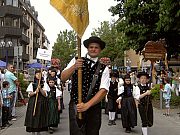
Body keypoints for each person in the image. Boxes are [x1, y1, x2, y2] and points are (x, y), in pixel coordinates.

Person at [61, 36, 110, 135]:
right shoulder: (76, 60)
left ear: (100, 50)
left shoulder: (104, 68)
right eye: (91, 47)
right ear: (87, 48)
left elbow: (103, 90)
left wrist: (87, 105)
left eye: (96, 47)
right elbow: (63, 77)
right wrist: (74, 67)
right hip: (76, 106)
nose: (93, 49)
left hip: (93, 108)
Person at [24, 70, 49, 135]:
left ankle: (39, 132)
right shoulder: (32, 84)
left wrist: (40, 89)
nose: (38, 76)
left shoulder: (44, 84)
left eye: (40, 74)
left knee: (40, 116)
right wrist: (35, 92)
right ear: (35, 75)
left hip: (41, 102)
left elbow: (45, 94)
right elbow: (29, 94)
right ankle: (33, 132)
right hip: (33, 102)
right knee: (33, 116)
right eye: (37, 74)